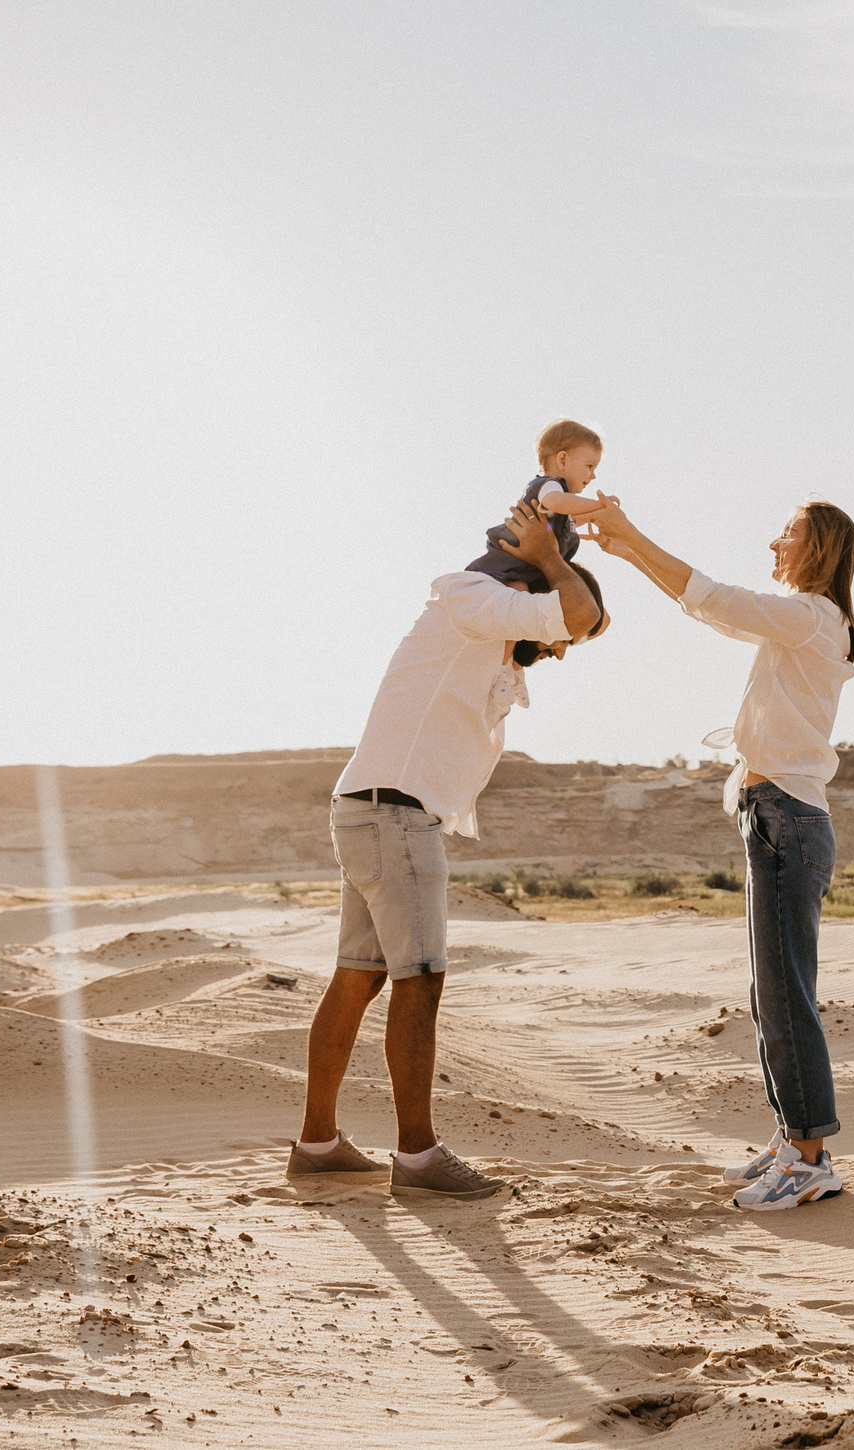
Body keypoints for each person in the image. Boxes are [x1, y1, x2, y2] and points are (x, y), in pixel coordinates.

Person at [290, 497, 607, 1200]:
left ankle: (317, 1145)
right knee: (420, 979)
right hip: (394, 817)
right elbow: (578, 614)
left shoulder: (486, 643)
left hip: (374, 809)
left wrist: (560, 567)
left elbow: (589, 622)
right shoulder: (474, 597)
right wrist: (551, 553)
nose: (554, 645)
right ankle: (419, 1158)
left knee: (359, 975)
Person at [586, 495, 854, 1212]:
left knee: (787, 996)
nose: (775, 541)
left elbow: (710, 598)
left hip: (788, 821)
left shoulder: (810, 618)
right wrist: (626, 550)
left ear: (820, 548)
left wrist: (634, 535)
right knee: (769, 992)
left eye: (789, 534)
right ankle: (791, 1137)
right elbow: (708, 606)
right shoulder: (803, 623)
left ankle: (809, 1159)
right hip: (774, 817)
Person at [465, 418, 610, 586]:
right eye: (589, 466)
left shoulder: (562, 503)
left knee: (524, 596)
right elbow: (556, 502)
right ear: (562, 460)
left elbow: (560, 523)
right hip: (503, 569)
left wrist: (595, 518)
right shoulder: (549, 485)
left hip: (521, 573)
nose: (593, 475)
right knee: (520, 598)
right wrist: (600, 505)